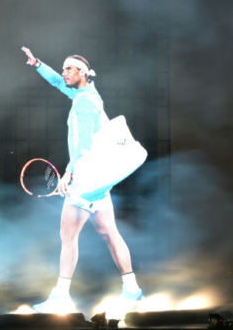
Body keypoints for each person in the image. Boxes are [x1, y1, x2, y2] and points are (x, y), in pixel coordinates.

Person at [21, 46, 144, 313]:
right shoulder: (86, 93)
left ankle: (61, 297)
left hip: (86, 179)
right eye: (63, 68)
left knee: (68, 236)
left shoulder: (85, 103)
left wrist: (68, 174)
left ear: (83, 73)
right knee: (109, 233)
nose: (64, 73)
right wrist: (38, 64)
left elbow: (85, 147)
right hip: (100, 182)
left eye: (68, 69)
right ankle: (133, 290)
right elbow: (57, 82)